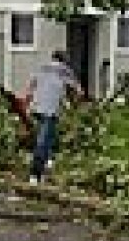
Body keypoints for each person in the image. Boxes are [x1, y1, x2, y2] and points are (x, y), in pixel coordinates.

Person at [23, 51, 85, 184]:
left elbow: (30, 88)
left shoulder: (41, 68)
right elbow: (79, 91)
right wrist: (76, 104)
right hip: (49, 109)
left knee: (48, 134)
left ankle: (48, 161)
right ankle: (35, 174)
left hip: (36, 107)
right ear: (64, 61)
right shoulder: (64, 70)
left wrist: (26, 106)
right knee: (42, 141)